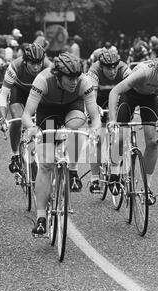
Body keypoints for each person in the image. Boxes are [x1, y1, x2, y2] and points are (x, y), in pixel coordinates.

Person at [21, 52, 101, 236]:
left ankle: (71, 168)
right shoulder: (43, 79)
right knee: (46, 164)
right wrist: (32, 128)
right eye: (69, 78)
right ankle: (41, 217)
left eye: (76, 77)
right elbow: (26, 114)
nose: (74, 81)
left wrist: (95, 130)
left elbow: (95, 117)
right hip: (47, 112)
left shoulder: (84, 82)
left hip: (72, 109)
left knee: (77, 124)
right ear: (58, 75)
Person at [107, 51, 158, 203]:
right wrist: (113, 120)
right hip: (130, 95)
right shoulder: (145, 72)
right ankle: (114, 174)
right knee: (121, 135)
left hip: (150, 99)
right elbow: (115, 91)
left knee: (153, 142)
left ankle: (147, 187)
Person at [0, 43, 52, 174]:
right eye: (32, 63)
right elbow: (3, 94)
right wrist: (3, 117)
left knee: (49, 119)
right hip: (19, 91)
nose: (36, 67)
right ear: (25, 61)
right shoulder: (15, 67)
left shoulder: (48, 66)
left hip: (39, 93)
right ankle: (15, 154)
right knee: (17, 119)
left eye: (39, 63)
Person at [86, 48, 132, 193]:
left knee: (119, 136)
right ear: (101, 66)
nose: (112, 71)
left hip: (118, 99)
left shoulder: (124, 68)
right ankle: (94, 178)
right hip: (98, 98)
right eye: (108, 68)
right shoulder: (94, 70)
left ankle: (115, 172)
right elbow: (90, 97)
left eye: (114, 67)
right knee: (97, 138)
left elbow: (134, 89)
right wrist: (93, 111)